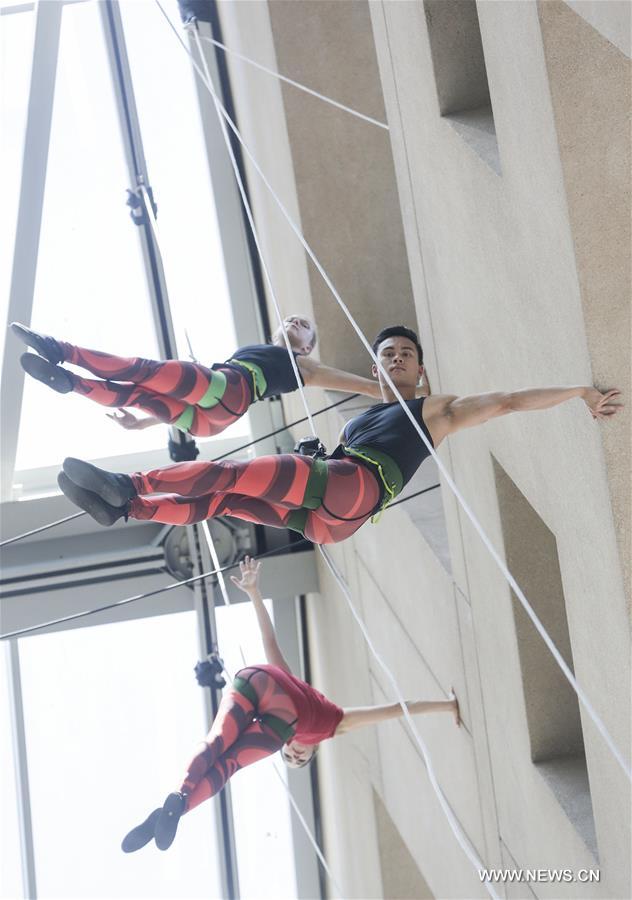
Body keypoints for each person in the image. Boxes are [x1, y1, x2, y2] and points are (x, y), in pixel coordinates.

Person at [55, 325, 622, 545]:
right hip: (335, 511)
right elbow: (312, 372)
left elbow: (506, 402)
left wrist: (578, 393)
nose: (398, 359)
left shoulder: (436, 411)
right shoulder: (359, 414)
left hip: (352, 492)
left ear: (421, 373)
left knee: (228, 476)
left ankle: (128, 484)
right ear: (376, 370)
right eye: (388, 355)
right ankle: (129, 508)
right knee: (225, 495)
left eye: (407, 356)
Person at [121, 557, 460, 853]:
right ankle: (177, 802)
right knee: (222, 750)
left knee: (224, 755)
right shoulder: (334, 724)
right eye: (299, 757)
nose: (293, 754)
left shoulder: (285, 730)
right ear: (313, 750)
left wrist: (254, 591)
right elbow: (393, 710)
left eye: (289, 757)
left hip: (262, 699)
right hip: (266, 688)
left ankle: (177, 803)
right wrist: (446, 706)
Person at [10, 316, 390, 437]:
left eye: (303, 326)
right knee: (141, 393)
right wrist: (141, 426)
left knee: (145, 371)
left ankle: (58, 349)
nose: (295, 322)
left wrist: (383, 390)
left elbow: (341, 380)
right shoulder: (256, 352)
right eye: (290, 319)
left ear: (307, 348)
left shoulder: (302, 365)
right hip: (211, 417)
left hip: (229, 391)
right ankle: (71, 383)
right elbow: (180, 402)